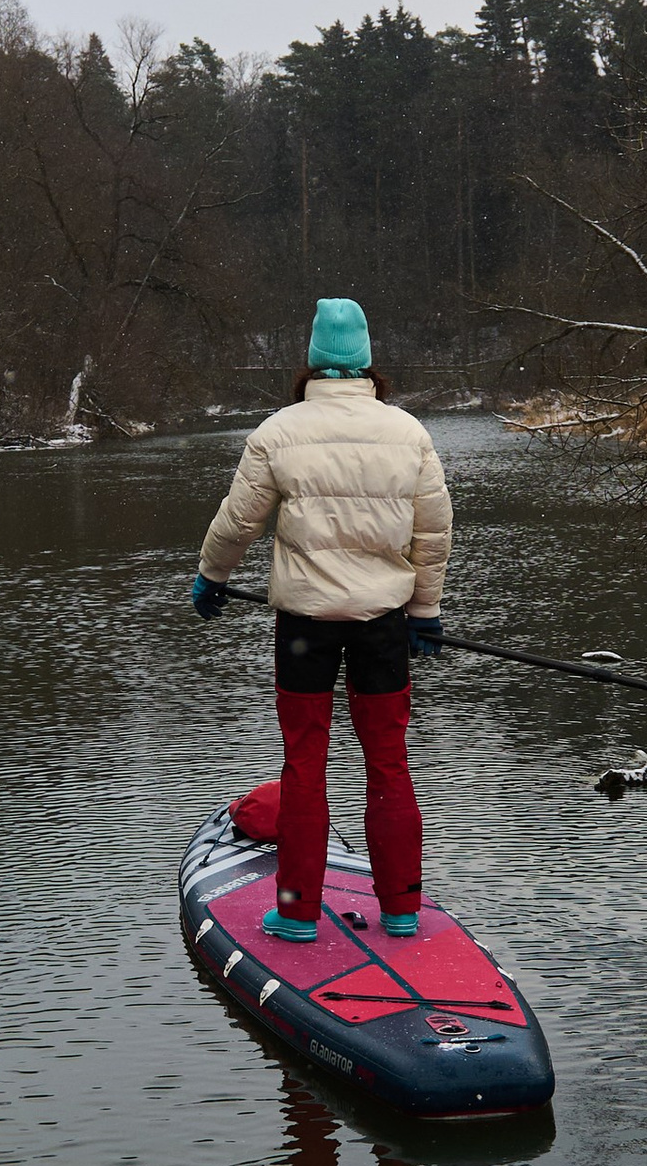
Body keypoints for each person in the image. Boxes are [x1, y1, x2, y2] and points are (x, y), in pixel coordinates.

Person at [189, 298, 451, 942]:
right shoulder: (408, 433)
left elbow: (239, 521)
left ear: (312, 361)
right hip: (383, 623)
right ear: (366, 362)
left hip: (305, 626)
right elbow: (433, 533)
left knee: (304, 764)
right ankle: (402, 909)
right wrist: (425, 609)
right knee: (388, 762)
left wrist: (212, 575)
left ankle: (298, 911)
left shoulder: (278, 432)